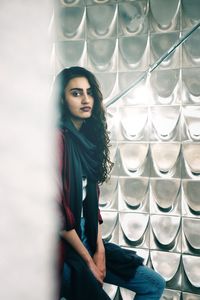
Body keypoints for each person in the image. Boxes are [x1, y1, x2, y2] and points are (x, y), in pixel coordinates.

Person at [55, 66, 166, 300]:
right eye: (76, 93)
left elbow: (91, 207)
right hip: (63, 246)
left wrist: (100, 251)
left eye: (89, 92)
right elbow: (56, 214)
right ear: (61, 100)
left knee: (154, 284)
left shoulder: (86, 142)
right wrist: (89, 261)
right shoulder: (56, 139)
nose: (86, 99)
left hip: (88, 234)